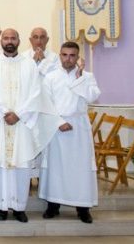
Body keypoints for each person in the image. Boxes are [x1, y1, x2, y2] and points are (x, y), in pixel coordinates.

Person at [0, 29, 62, 223]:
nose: (9, 41)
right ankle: (1, 207)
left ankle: (19, 208)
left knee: (21, 165)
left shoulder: (30, 66)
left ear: (19, 41)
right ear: (1, 41)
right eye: (6, 38)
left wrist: (19, 114)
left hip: (22, 124)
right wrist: (3, 112)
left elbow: (36, 94)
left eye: (13, 38)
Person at [39, 42, 101, 224]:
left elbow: (92, 96)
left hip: (79, 128)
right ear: (60, 55)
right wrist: (58, 122)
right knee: (56, 168)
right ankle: (53, 206)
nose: (68, 59)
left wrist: (79, 77)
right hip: (57, 127)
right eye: (65, 55)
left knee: (80, 169)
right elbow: (45, 103)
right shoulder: (51, 77)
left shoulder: (87, 76)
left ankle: (83, 208)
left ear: (78, 57)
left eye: (72, 55)